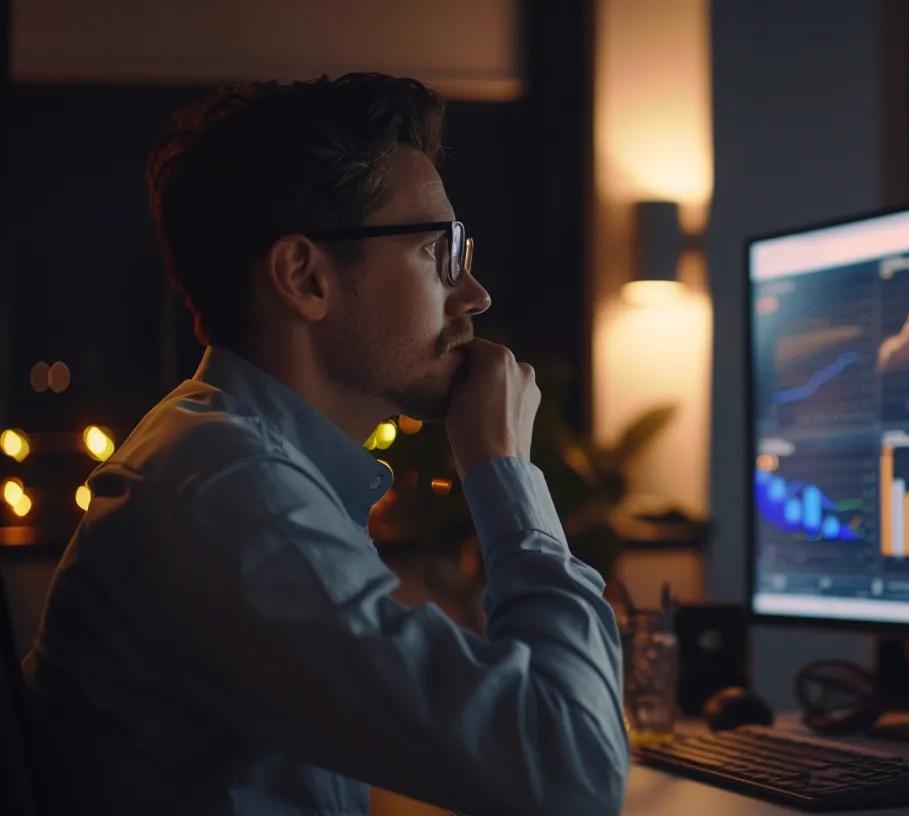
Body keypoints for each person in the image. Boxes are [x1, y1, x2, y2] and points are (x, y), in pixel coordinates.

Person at [22, 73, 629, 815]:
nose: (474, 295)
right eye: (439, 251)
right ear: (305, 278)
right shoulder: (224, 492)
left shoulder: (228, 460)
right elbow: (573, 774)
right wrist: (504, 471)